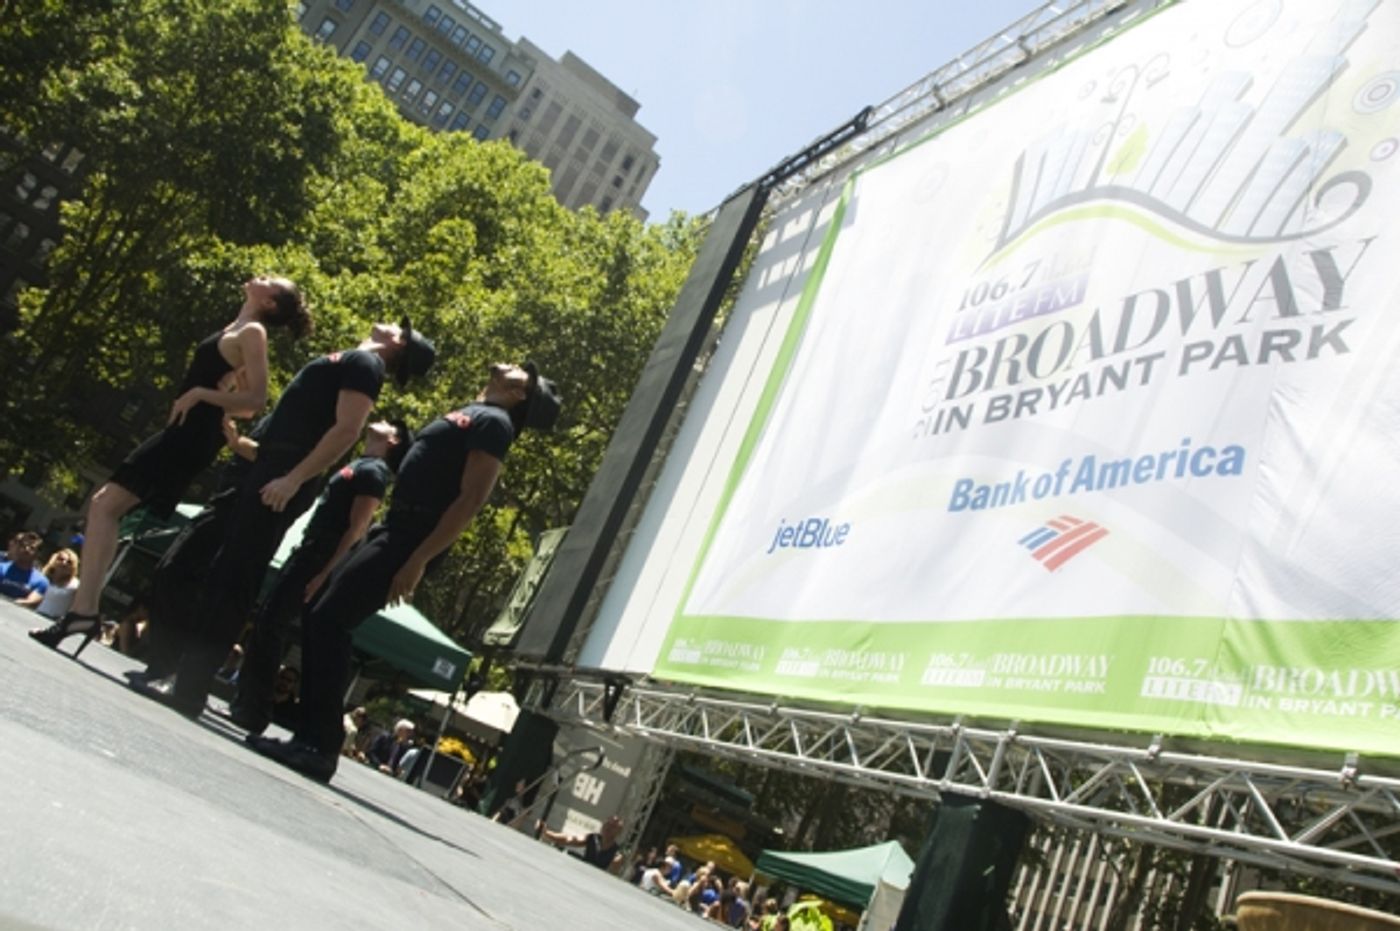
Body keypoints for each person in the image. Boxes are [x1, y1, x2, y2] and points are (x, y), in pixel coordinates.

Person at [247, 361, 560, 783]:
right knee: (319, 613)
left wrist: (420, 559)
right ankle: (307, 738)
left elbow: (469, 502)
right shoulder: (474, 412)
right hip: (394, 528)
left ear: (520, 394)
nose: (514, 365)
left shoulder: (496, 424)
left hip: (413, 537)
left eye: (524, 374)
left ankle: (320, 746)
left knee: (330, 620)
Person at [129, 318, 435, 718]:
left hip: (284, 473)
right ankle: (181, 675)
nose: (391, 322)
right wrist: (248, 447)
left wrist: (293, 479)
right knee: (223, 571)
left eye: (400, 327)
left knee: (235, 576)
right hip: (273, 465)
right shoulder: (353, 359)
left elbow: (346, 431)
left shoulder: (366, 366)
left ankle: (190, 686)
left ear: (398, 345)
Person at [30, 276, 310, 653]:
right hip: (184, 430)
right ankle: (84, 612)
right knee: (102, 506)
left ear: (270, 302)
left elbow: (256, 400)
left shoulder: (254, 332)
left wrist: (200, 395)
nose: (258, 277)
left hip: (192, 435)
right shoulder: (236, 328)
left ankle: (84, 613)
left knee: (104, 505)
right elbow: (240, 404)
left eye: (267, 281)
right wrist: (215, 401)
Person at [229, 419, 409, 734]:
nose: (379, 419)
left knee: (272, 623)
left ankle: (255, 708)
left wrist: (326, 572)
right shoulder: (359, 463)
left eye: (388, 424)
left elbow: (357, 529)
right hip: (309, 547)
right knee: (268, 619)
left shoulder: (375, 473)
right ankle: (247, 700)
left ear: (393, 440)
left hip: (320, 555)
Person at [538, 814, 624, 873]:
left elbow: (612, 873)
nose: (608, 827)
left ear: (619, 832)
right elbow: (569, 839)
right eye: (607, 824)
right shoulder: (592, 838)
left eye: (613, 826)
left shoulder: (617, 853)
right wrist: (546, 832)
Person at [23, 548, 80, 621]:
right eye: (61, 559)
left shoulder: (75, 585)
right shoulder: (42, 578)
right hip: (35, 615)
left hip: (55, 621)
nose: (64, 563)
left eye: (69, 562)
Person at [1, 532, 48, 602]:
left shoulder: (41, 581)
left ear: (38, 554)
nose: (26, 549)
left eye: (32, 548)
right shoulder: (1, 568)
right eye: (23, 546)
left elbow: (29, 601)